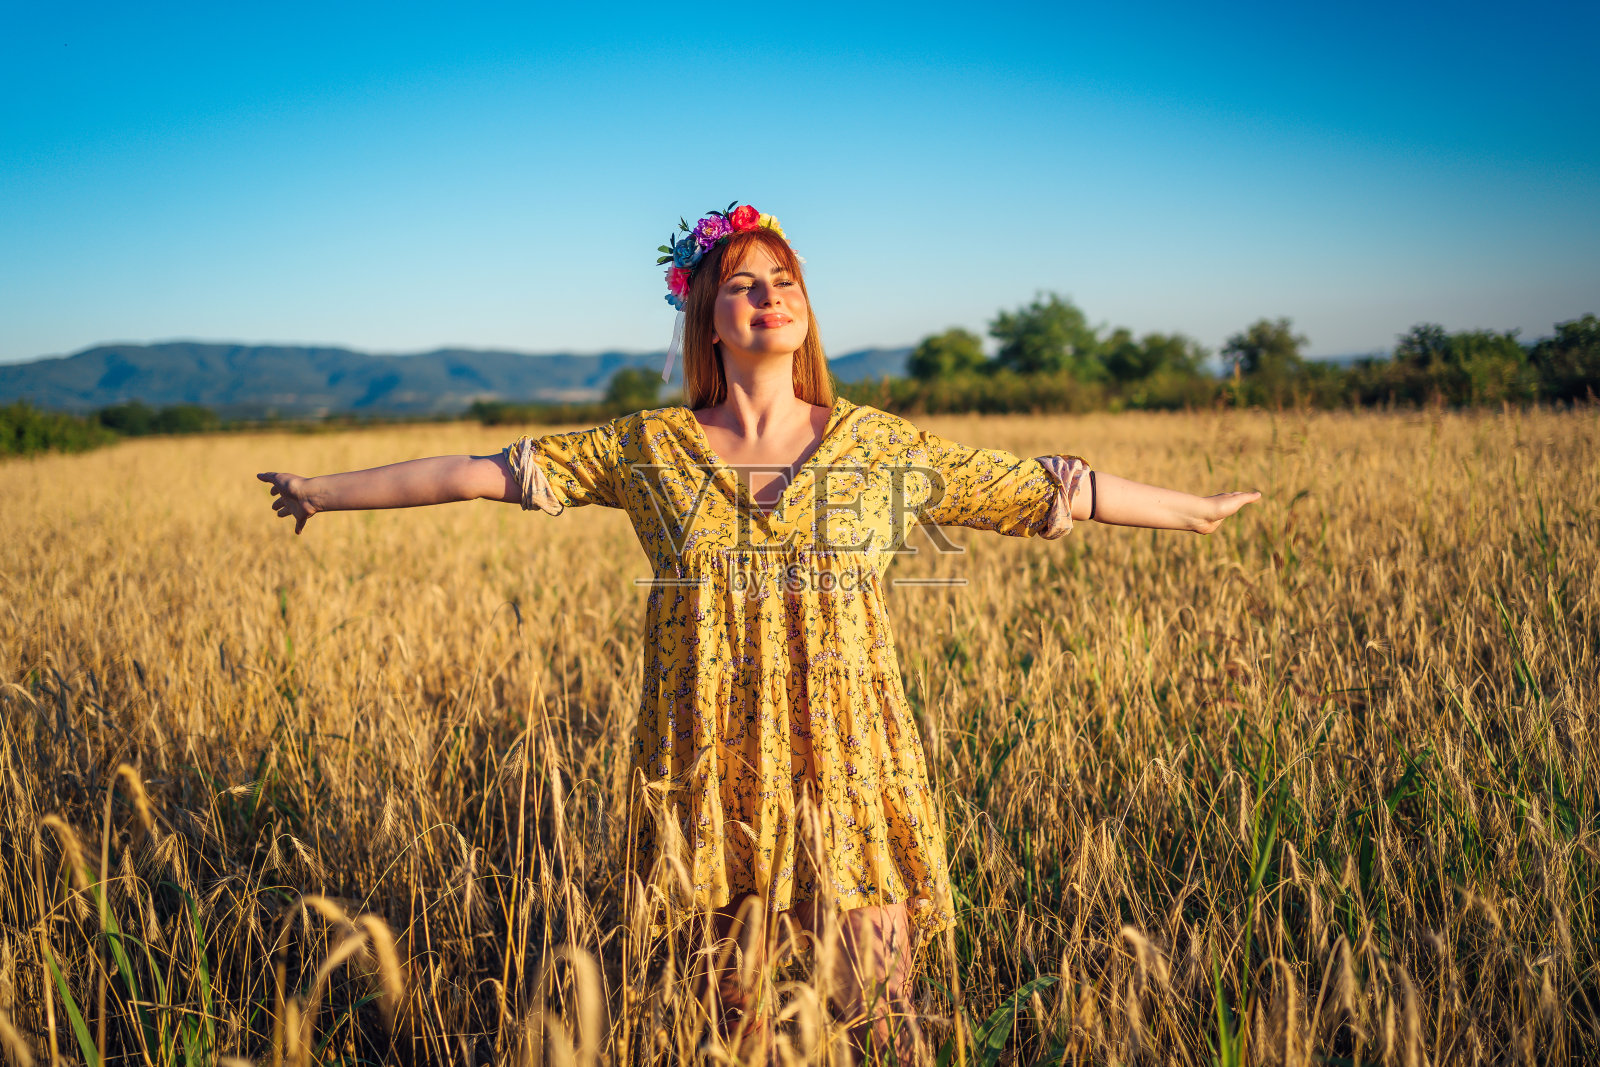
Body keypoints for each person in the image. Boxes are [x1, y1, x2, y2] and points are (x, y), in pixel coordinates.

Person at [258, 204, 1261, 1063]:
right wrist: (321, 491)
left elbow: (1051, 489)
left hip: (852, 761)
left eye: (784, 281)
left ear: (806, 310)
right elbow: (482, 470)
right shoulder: (646, 448)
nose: (767, 296)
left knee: (883, 1013)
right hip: (705, 768)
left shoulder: (880, 446)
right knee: (727, 1022)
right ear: (706, 316)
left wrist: (1196, 510)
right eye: (742, 284)